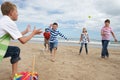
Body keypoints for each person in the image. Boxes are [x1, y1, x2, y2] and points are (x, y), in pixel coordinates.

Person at [0, 2, 42, 79]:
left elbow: (15, 36)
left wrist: (26, 31)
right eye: (16, 11)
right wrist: (33, 33)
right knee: (16, 50)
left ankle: (14, 75)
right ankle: (14, 75)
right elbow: (23, 41)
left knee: (15, 50)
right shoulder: (9, 22)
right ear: (11, 12)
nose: (18, 14)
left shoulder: (3, 20)